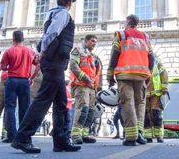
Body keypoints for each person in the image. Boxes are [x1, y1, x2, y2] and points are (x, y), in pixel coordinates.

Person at [11, 0, 80, 154]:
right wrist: (42, 52)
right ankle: (23, 137)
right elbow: (52, 32)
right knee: (43, 99)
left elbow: (48, 34)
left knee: (61, 103)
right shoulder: (63, 14)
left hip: (54, 61)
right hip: (55, 61)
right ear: (69, 2)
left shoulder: (50, 13)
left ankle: (61, 140)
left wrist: (41, 52)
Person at [107, 14, 155, 146]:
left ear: (128, 22)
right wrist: (149, 74)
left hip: (124, 74)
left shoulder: (121, 34)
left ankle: (131, 137)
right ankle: (139, 133)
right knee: (140, 104)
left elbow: (114, 55)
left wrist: (109, 75)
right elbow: (152, 58)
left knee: (127, 103)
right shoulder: (145, 37)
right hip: (141, 75)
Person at [1, 31, 37, 143]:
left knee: (10, 107)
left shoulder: (9, 51)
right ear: (23, 39)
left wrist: (9, 68)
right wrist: (32, 77)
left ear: (13, 39)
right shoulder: (30, 51)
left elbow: (3, 67)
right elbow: (38, 64)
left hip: (11, 80)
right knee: (24, 108)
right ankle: (23, 135)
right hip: (24, 81)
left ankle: (11, 135)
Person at [70, 34, 100, 144]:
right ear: (86, 41)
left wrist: (95, 87)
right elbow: (73, 65)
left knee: (90, 112)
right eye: (92, 41)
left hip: (91, 87)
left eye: (95, 41)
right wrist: (86, 78)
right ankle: (76, 135)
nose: (94, 43)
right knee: (82, 110)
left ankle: (84, 134)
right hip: (81, 85)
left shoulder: (93, 56)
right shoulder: (78, 50)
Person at [144, 58, 169, 143]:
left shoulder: (156, 62)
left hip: (156, 94)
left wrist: (164, 87)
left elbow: (164, 73)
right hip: (144, 95)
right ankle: (148, 137)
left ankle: (159, 136)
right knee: (146, 116)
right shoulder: (141, 62)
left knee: (156, 114)